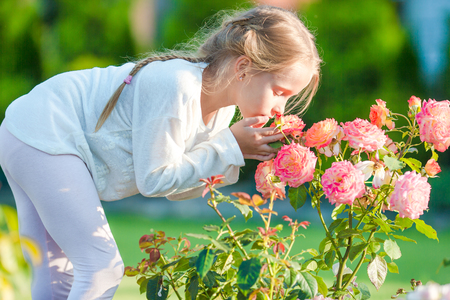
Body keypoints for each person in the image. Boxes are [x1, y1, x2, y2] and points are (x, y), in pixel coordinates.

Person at [0, 5, 321, 300]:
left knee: (58, 272)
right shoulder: (178, 86)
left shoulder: (221, 111)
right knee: (100, 267)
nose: (281, 107)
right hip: (43, 132)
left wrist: (233, 151)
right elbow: (155, 180)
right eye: (279, 92)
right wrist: (230, 146)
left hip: (26, 133)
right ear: (243, 68)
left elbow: (176, 191)